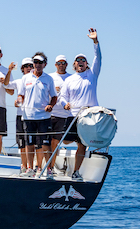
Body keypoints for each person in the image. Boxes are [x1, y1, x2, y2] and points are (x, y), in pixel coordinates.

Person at [60, 28, 101, 180]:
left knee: (82, 145)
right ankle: (70, 149)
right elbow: (62, 96)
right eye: (78, 60)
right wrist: (65, 104)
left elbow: (98, 58)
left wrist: (95, 42)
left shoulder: (92, 74)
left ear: (87, 64)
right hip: (73, 115)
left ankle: (76, 172)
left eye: (84, 60)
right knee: (65, 139)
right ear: (74, 64)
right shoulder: (69, 79)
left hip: (89, 116)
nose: (81, 62)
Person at [18, 53, 58, 177]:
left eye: (40, 62)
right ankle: (30, 168)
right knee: (29, 144)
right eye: (35, 62)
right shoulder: (26, 78)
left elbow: (54, 97)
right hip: (28, 117)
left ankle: (48, 169)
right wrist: (18, 101)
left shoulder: (48, 78)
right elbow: (21, 95)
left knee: (45, 144)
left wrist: (50, 105)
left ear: (45, 64)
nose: (37, 65)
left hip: (44, 117)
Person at [4, 58, 34, 173]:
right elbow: (6, 85)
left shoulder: (37, 80)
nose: (29, 68)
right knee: (21, 142)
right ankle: (24, 166)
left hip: (32, 116)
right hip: (20, 115)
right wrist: (9, 71)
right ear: (22, 68)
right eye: (26, 66)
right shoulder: (19, 81)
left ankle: (31, 167)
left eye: (31, 65)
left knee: (31, 142)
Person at [49, 55, 71, 171]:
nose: (61, 65)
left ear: (66, 64)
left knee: (56, 142)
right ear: (55, 65)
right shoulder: (50, 77)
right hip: (50, 114)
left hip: (64, 115)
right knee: (46, 142)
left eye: (63, 63)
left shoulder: (71, 78)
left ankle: (51, 166)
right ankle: (45, 166)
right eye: (59, 63)